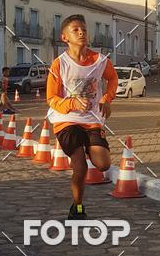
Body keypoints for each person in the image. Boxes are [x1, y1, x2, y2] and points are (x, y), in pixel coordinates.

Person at [47, 14, 118, 219]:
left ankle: (87, 146)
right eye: (76, 30)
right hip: (66, 120)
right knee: (79, 165)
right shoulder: (59, 64)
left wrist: (107, 98)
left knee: (103, 164)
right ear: (65, 37)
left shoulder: (100, 60)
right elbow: (51, 98)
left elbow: (112, 78)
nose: (82, 33)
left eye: (84, 29)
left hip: (92, 119)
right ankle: (77, 206)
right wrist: (72, 103)